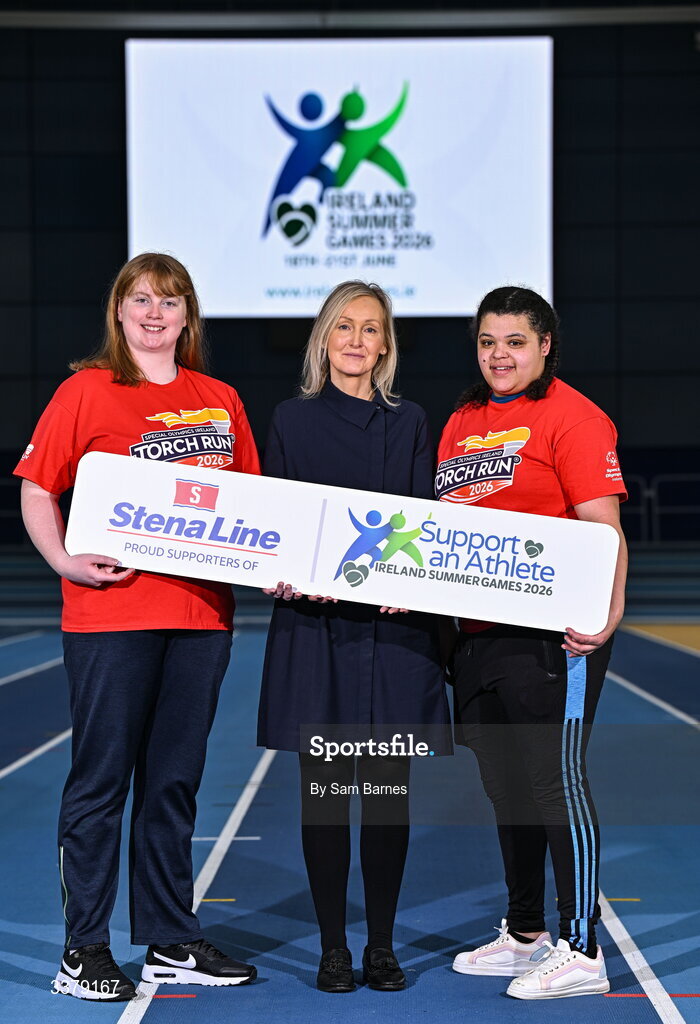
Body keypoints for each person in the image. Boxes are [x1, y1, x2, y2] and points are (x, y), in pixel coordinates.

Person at [15, 253, 261, 1001]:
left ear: (189, 316)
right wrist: (64, 559)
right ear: (119, 313)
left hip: (200, 620)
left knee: (174, 785)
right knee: (100, 783)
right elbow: (35, 487)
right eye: (141, 299)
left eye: (171, 299)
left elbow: (252, 506)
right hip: (110, 618)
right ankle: (83, 950)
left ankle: (169, 940)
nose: (155, 312)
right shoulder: (86, 392)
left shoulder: (219, 398)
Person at [257, 281, 452, 993]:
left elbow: (426, 526)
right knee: (328, 795)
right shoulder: (290, 420)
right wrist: (280, 573)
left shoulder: (410, 423)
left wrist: (415, 583)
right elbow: (272, 529)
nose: (356, 340)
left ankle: (382, 946)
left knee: (387, 796)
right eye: (344, 326)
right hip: (319, 637)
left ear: (386, 345)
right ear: (323, 338)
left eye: (371, 329)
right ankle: (333, 948)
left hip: (395, 642)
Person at [437, 286, 628, 1000]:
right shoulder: (462, 419)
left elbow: (602, 523)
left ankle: (582, 949)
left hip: (554, 633)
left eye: (515, 341)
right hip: (479, 637)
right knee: (505, 787)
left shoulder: (572, 417)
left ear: (545, 345)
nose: (499, 355)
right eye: (488, 342)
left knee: (555, 782)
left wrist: (607, 612)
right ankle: (525, 934)